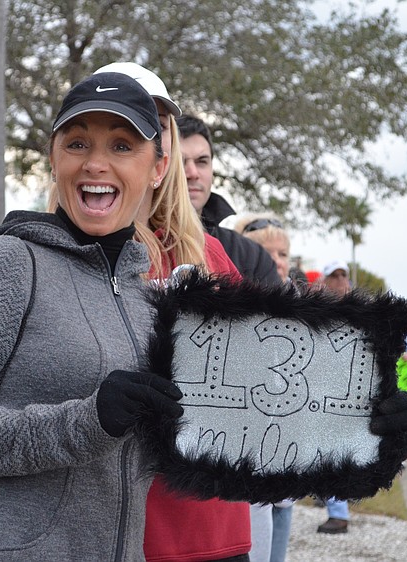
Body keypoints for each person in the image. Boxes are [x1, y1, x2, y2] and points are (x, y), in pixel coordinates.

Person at [0, 73, 185, 561]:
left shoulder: (145, 300)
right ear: (53, 161)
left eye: (121, 145)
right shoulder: (9, 262)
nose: (96, 162)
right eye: (77, 143)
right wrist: (87, 421)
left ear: (158, 168)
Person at [93, 62, 253, 562]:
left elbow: (264, 378)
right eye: (118, 134)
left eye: (154, 126)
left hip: (209, 524)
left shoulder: (208, 255)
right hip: (104, 527)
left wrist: (361, 416)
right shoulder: (51, 258)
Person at [238, 213, 295, 560]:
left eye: (284, 253)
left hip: (288, 460)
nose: (277, 261)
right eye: (267, 253)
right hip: (247, 459)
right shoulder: (235, 310)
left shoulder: (307, 310)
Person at [176, 114, 282, 286]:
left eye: (202, 161)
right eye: (180, 162)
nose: (192, 173)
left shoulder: (252, 257)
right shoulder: (139, 247)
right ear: (162, 166)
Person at [310, 259, 354, 534]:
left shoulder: (357, 311)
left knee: (332, 451)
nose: (339, 280)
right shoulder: (318, 310)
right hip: (321, 389)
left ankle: (339, 513)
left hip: (341, 392)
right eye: (334, 275)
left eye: (343, 275)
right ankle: (328, 497)